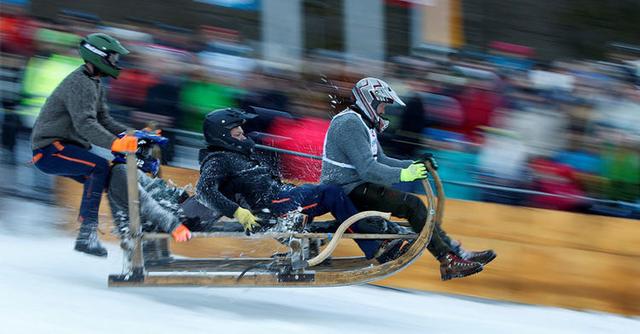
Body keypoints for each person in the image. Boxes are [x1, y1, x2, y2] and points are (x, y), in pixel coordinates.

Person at [321, 77, 496, 281]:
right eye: (382, 107)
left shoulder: (362, 122)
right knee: (413, 205)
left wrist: (414, 165)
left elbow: (382, 159)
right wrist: (404, 174)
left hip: (357, 185)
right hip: (345, 190)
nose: (383, 112)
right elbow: (368, 168)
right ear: (370, 101)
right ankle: (447, 259)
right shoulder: (349, 123)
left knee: (418, 209)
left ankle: (455, 252)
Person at [194, 108, 404, 262]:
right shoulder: (218, 159)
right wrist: (238, 212)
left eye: (243, 133)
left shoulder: (238, 154)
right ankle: (375, 247)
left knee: (338, 193)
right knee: (331, 192)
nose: (244, 137)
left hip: (282, 196)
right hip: (273, 205)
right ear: (222, 136)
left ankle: (371, 231)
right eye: (237, 134)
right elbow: (204, 190)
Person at [31, 33, 138, 257]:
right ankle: (86, 234)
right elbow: (85, 124)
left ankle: (126, 233)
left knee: (110, 176)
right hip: (50, 149)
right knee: (98, 167)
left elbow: (104, 120)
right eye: (114, 58)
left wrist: (134, 135)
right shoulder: (79, 82)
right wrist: (116, 144)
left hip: (68, 148)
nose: (116, 63)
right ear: (99, 56)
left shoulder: (94, 83)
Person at [107, 131, 193, 246]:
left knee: (199, 203)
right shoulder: (122, 172)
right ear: (136, 151)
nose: (150, 155)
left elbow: (159, 191)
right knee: (204, 208)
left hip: (152, 220)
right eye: (147, 151)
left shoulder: (128, 170)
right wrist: (174, 226)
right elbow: (146, 204)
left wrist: (181, 196)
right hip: (142, 226)